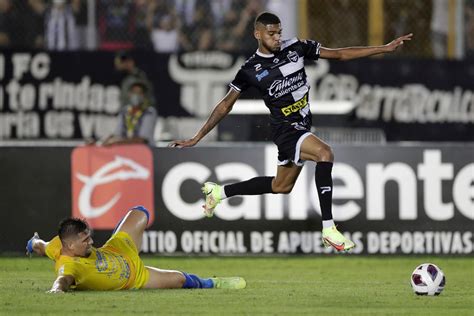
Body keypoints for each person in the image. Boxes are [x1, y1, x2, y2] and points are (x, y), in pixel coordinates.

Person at [170, 12, 413, 252]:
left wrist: (384, 48)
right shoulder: (250, 70)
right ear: (257, 34)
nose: (277, 38)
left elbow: (339, 54)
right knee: (325, 154)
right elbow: (225, 104)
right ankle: (329, 228)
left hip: (303, 124)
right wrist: (197, 137)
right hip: (286, 129)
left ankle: (219, 192)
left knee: (281, 186)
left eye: (279, 32)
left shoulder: (296, 47)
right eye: (271, 33)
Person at [26, 205, 246, 292]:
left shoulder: (56, 245)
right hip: (135, 277)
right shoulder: (68, 266)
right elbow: (62, 280)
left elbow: (40, 245)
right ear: (70, 245)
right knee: (179, 279)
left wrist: (32, 242)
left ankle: (119, 235)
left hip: (117, 250)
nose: (90, 242)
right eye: (85, 241)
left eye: (89, 238)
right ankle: (213, 282)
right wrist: (56, 291)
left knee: (139, 212)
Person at [102, 81, 157, 146]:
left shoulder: (149, 112)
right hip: (126, 150)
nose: (136, 95)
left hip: (145, 152)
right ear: (129, 94)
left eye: (139, 93)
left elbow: (142, 139)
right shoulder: (124, 111)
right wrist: (107, 140)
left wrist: (117, 142)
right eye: (134, 92)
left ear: (144, 96)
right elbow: (117, 133)